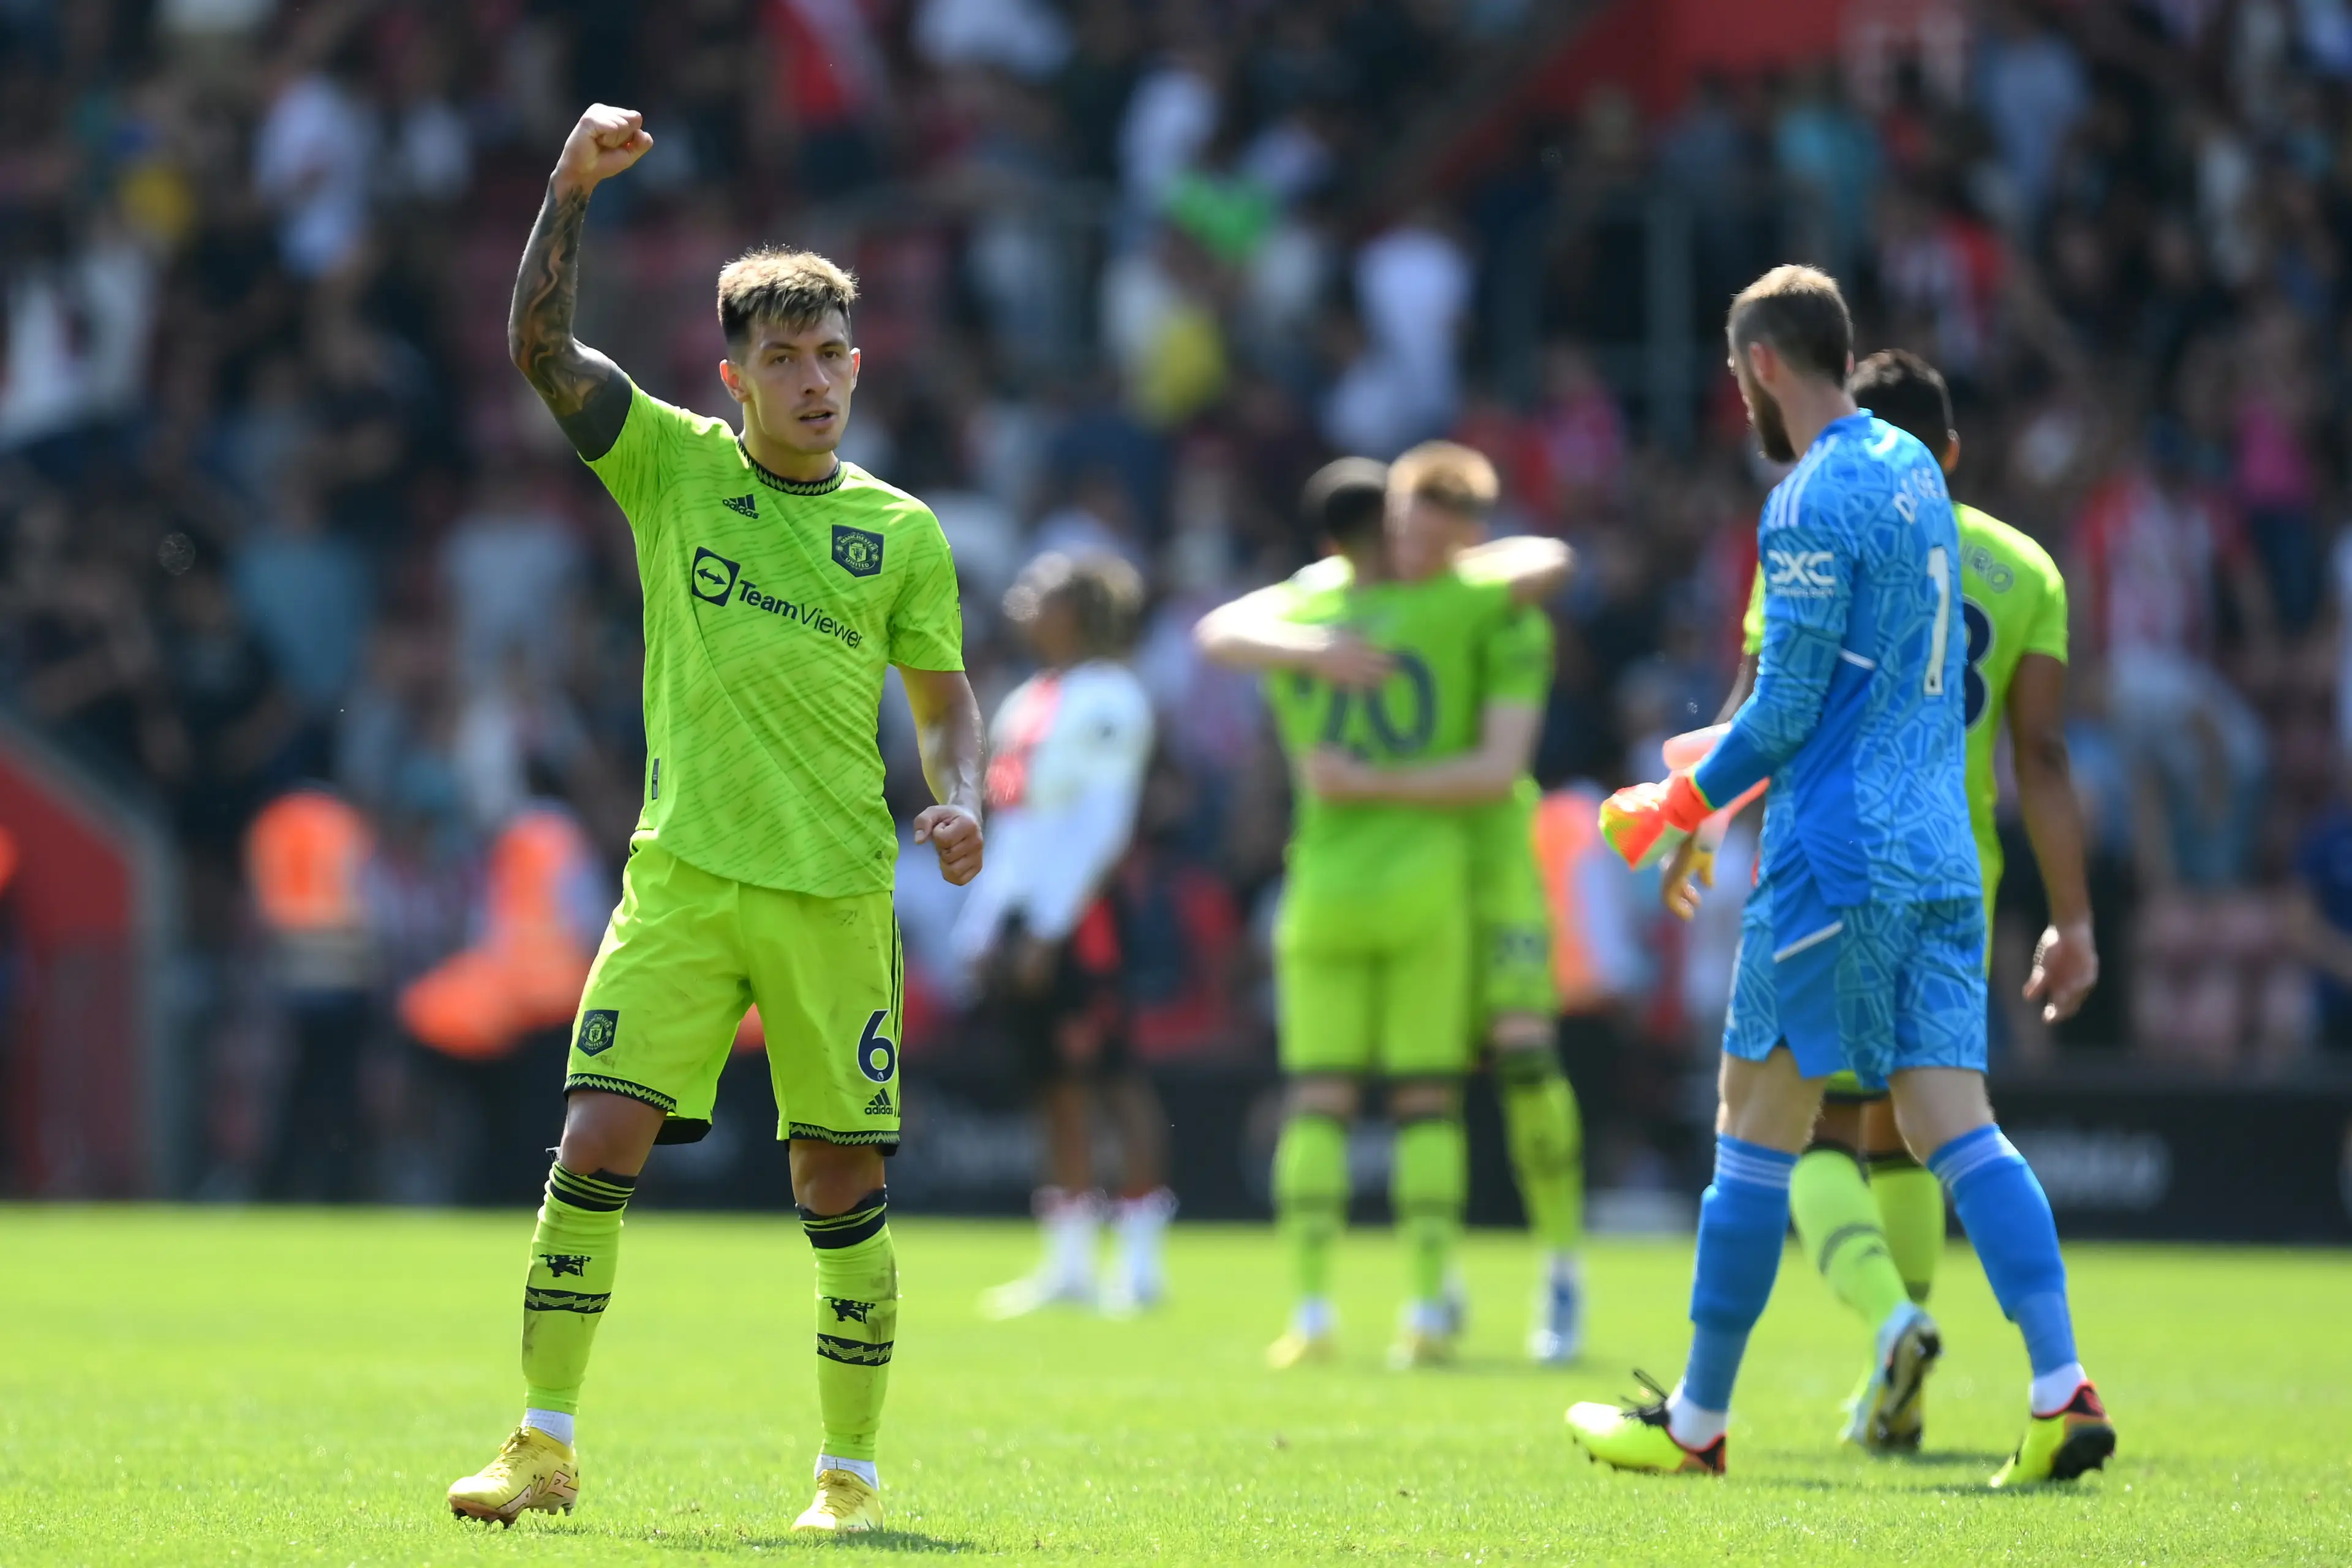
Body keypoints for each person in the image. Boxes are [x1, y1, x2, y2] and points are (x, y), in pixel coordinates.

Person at [445, 105, 984, 1536]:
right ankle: (541, 1442)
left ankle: (847, 1475)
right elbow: (540, 356)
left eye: (832, 356)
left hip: (828, 895)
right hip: (680, 879)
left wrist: (962, 792)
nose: (815, 381)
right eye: (785, 358)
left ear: (857, 366)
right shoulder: (673, 467)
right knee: (593, 1144)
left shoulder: (902, 532)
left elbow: (944, 698)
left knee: (836, 1180)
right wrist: (565, 189)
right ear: (733, 373)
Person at [1572, 266, 2111, 1487]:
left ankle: (1697, 1423)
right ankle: (2059, 1385)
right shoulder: (1921, 473)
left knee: (1755, 1129)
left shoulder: (1807, 497)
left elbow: (1788, 705)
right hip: (1941, 853)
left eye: (1735, 375)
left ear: (1760, 362)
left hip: (1836, 854)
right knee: (1948, 1123)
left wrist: (1676, 801)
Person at [1195, 454, 1569, 1370]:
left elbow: (1215, 633)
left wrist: (1307, 648)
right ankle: (1427, 1309)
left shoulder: (1306, 615)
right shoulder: (1456, 607)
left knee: (1317, 1100)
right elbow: (1551, 562)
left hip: (1320, 880)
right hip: (1426, 882)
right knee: (1425, 1103)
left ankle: (1314, 1314)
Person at [1295, 442, 1589, 1363]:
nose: (1410, 553)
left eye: (1429, 539)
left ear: (1466, 538)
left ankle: (1561, 1269)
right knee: (1432, 1082)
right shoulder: (1368, 607)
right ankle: (1441, 1285)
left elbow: (1499, 768)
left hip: (1491, 864)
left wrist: (1367, 785)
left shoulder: (1503, 617)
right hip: (1415, 870)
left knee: (1524, 1058)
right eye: (1400, 535)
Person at [955, 551, 1172, 1318]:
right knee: (1051, 1083)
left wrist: (1053, 926)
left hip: (1086, 916)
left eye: (1037, 590)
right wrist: (985, 920)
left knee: (1113, 1077)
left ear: (1077, 609)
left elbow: (1103, 824)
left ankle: (1143, 1262)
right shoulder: (1026, 699)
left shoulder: (1111, 696)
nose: (1020, 598)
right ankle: (1072, 1260)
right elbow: (1016, 825)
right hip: (1029, 915)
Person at [247, 783, 378, 1202]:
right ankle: (340, 1187)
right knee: (338, 1095)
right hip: (346, 979)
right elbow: (370, 903)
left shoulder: (274, 824)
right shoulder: (349, 824)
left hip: (294, 979)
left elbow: (262, 908)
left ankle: (281, 1187)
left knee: (296, 1094)